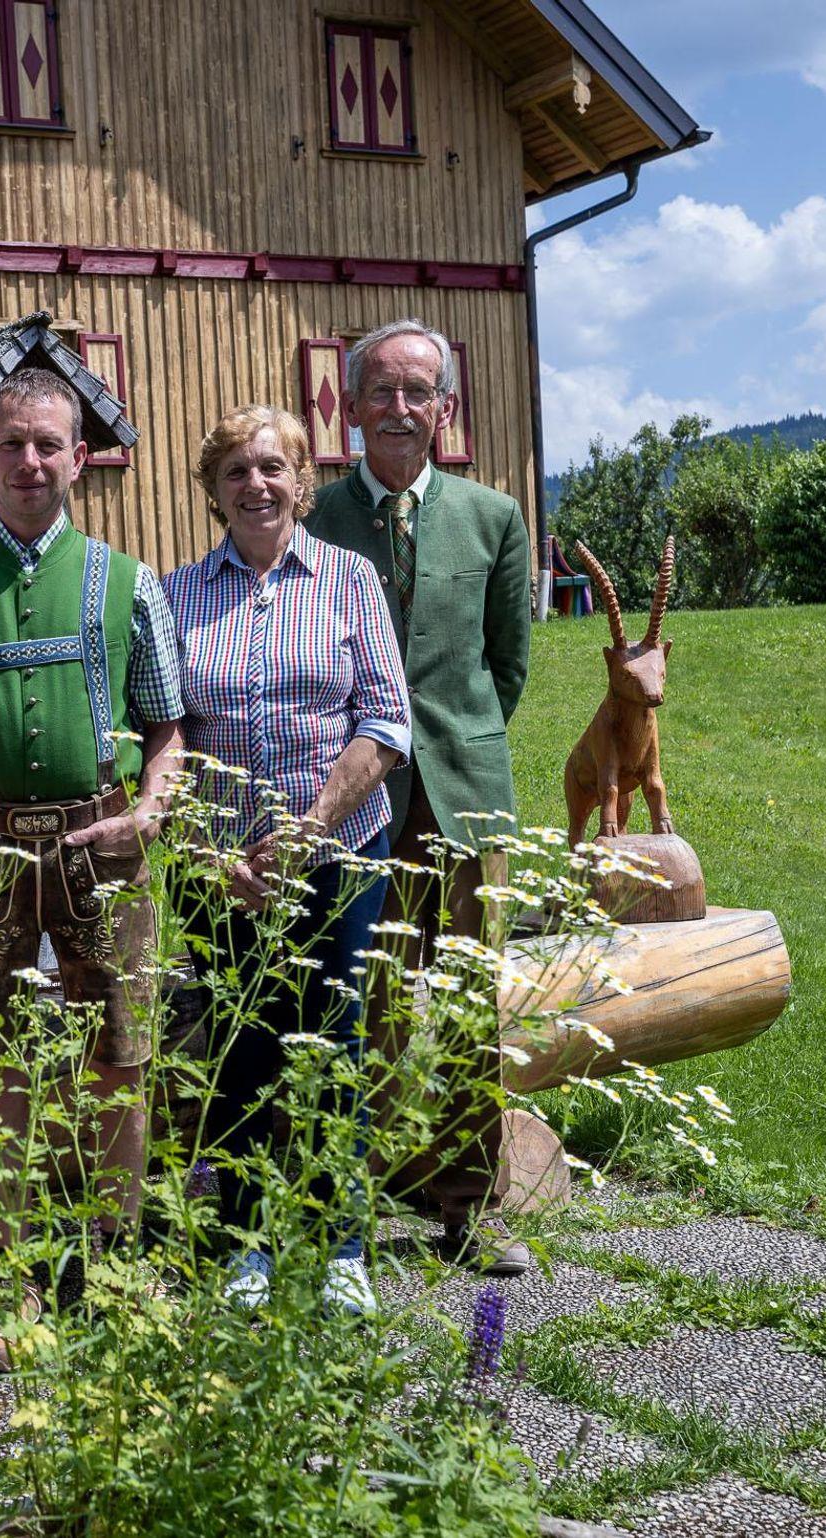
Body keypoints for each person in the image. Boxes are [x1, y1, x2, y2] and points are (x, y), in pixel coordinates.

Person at [0, 366, 185, 1376]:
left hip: (105, 839)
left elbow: (167, 728)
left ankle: (116, 1262)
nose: (29, 461)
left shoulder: (127, 580)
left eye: (48, 444)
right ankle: (8, 1276)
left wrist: (149, 809)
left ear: (80, 457)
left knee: (123, 1050)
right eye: (11, 443)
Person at [163, 405, 410, 1313]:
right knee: (239, 1051)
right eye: (236, 471)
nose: (256, 485)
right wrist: (208, 855)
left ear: (302, 483)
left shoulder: (349, 579)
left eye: (272, 467)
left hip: (338, 852)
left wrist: (310, 829)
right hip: (220, 870)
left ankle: (341, 1247)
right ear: (213, 491)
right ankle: (246, 1250)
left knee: (333, 1041)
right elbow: (161, 738)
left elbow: (386, 721)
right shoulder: (176, 595)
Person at [303, 318, 532, 1275]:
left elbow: (506, 668)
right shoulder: (312, 517)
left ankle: (474, 1207)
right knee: (365, 999)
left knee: (475, 1005)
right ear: (350, 407)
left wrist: (451, 748)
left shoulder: (493, 517)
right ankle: (352, 1202)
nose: (400, 408)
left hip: (463, 795)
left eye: (418, 391)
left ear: (446, 407)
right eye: (382, 391)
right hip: (354, 801)